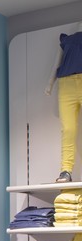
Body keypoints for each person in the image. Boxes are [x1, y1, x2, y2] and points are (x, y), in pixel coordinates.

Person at [46, 24, 82, 181]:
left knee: (69, 129)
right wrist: (50, 83)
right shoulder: (66, 40)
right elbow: (56, 64)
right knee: (68, 129)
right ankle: (66, 170)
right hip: (66, 85)